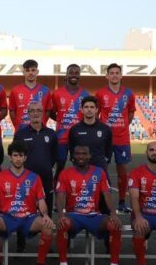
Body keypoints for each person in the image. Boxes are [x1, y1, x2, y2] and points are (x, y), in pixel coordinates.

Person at [0, 141, 54, 265]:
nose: (18, 158)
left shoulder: (34, 177)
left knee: (47, 226)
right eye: (15, 155)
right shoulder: (0, 177)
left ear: (25, 158)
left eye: (21, 155)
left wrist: (45, 214)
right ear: (9, 157)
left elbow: (41, 201)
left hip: (29, 218)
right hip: (7, 217)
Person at [55, 145, 124, 265]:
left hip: (94, 215)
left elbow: (107, 194)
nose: (80, 156)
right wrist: (61, 215)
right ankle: (63, 264)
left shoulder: (99, 172)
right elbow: (61, 195)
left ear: (89, 156)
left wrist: (113, 214)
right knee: (62, 224)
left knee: (115, 225)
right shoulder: (65, 173)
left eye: (84, 154)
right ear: (73, 156)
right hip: (74, 215)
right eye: (77, 154)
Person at [12, 100, 58, 253]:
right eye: (32, 110)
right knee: (23, 210)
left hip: (45, 180)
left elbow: (54, 156)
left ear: (44, 113)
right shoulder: (20, 133)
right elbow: (15, 155)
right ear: (28, 113)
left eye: (38, 110)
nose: (36, 113)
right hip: (25, 181)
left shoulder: (51, 134)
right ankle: (20, 243)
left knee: (47, 211)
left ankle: (46, 242)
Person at [96, 63, 136, 213]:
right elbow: (96, 113)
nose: (114, 75)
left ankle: (121, 202)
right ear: (107, 76)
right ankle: (102, 202)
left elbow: (131, 113)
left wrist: (123, 126)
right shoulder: (100, 94)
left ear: (121, 75)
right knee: (102, 170)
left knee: (123, 171)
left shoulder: (128, 93)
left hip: (122, 139)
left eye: (116, 73)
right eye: (111, 73)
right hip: (105, 139)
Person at [50, 63, 91, 180]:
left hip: (79, 137)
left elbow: (88, 114)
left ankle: (78, 191)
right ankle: (57, 191)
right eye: (71, 73)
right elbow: (52, 112)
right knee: (60, 166)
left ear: (80, 76)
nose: (74, 75)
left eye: (76, 73)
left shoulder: (85, 94)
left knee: (80, 167)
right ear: (66, 75)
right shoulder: (57, 93)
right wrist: (60, 121)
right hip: (61, 137)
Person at [68, 96, 113, 174]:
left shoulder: (105, 129)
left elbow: (109, 150)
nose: (89, 109)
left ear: (96, 110)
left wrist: (103, 162)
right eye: (86, 107)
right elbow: (72, 150)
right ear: (82, 110)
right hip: (81, 171)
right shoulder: (74, 130)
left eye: (92, 107)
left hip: (100, 170)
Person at [8, 59, 51, 131]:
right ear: (23, 72)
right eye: (27, 70)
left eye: (33, 70)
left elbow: (48, 110)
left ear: (37, 72)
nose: (30, 73)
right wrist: (17, 125)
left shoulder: (45, 90)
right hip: (21, 131)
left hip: (39, 131)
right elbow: (12, 111)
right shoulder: (15, 90)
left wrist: (42, 122)